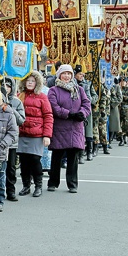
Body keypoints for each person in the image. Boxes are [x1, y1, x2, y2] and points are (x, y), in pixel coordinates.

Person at [47, 64, 91, 193]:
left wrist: (82, 113)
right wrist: (68, 114)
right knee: (57, 156)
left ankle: (72, 184)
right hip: (60, 127)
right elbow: (54, 107)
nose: (66, 76)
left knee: (73, 157)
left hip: (75, 128)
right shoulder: (53, 90)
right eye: (64, 73)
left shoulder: (79, 89)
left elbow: (86, 103)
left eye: (69, 74)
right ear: (59, 75)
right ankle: (53, 182)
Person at [16, 72, 53, 198]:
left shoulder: (42, 97)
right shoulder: (19, 96)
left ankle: (38, 186)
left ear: (37, 83)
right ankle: (26, 185)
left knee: (35, 160)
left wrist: (47, 135)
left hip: (37, 134)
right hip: (22, 133)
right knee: (24, 161)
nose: (30, 83)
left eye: (33, 80)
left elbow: (48, 116)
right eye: (28, 80)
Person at [2, 76, 26, 201]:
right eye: (3, 85)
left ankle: (10, 190)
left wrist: (10, 109)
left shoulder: (17, 102)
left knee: (11, 167)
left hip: (11, 140)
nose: (6, 88)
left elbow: (21, 120)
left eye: (8, 85)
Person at [74, 65, 98, 162]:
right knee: (80, 134)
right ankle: (80, 155)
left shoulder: (88, 84)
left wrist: (90, 100)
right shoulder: (73, 85)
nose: (81, 76)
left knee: (88, 133)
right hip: (77, 111)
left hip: (87, 111)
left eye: (82, 74)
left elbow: (95, 96)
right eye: (79, 74)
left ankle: (89, 152)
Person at [109, 78, 122, 143]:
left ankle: (110, 140)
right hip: (105, 107)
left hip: (113, 108)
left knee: (113, 125)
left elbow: (120, 98)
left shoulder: (116, 86)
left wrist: (113, 105)